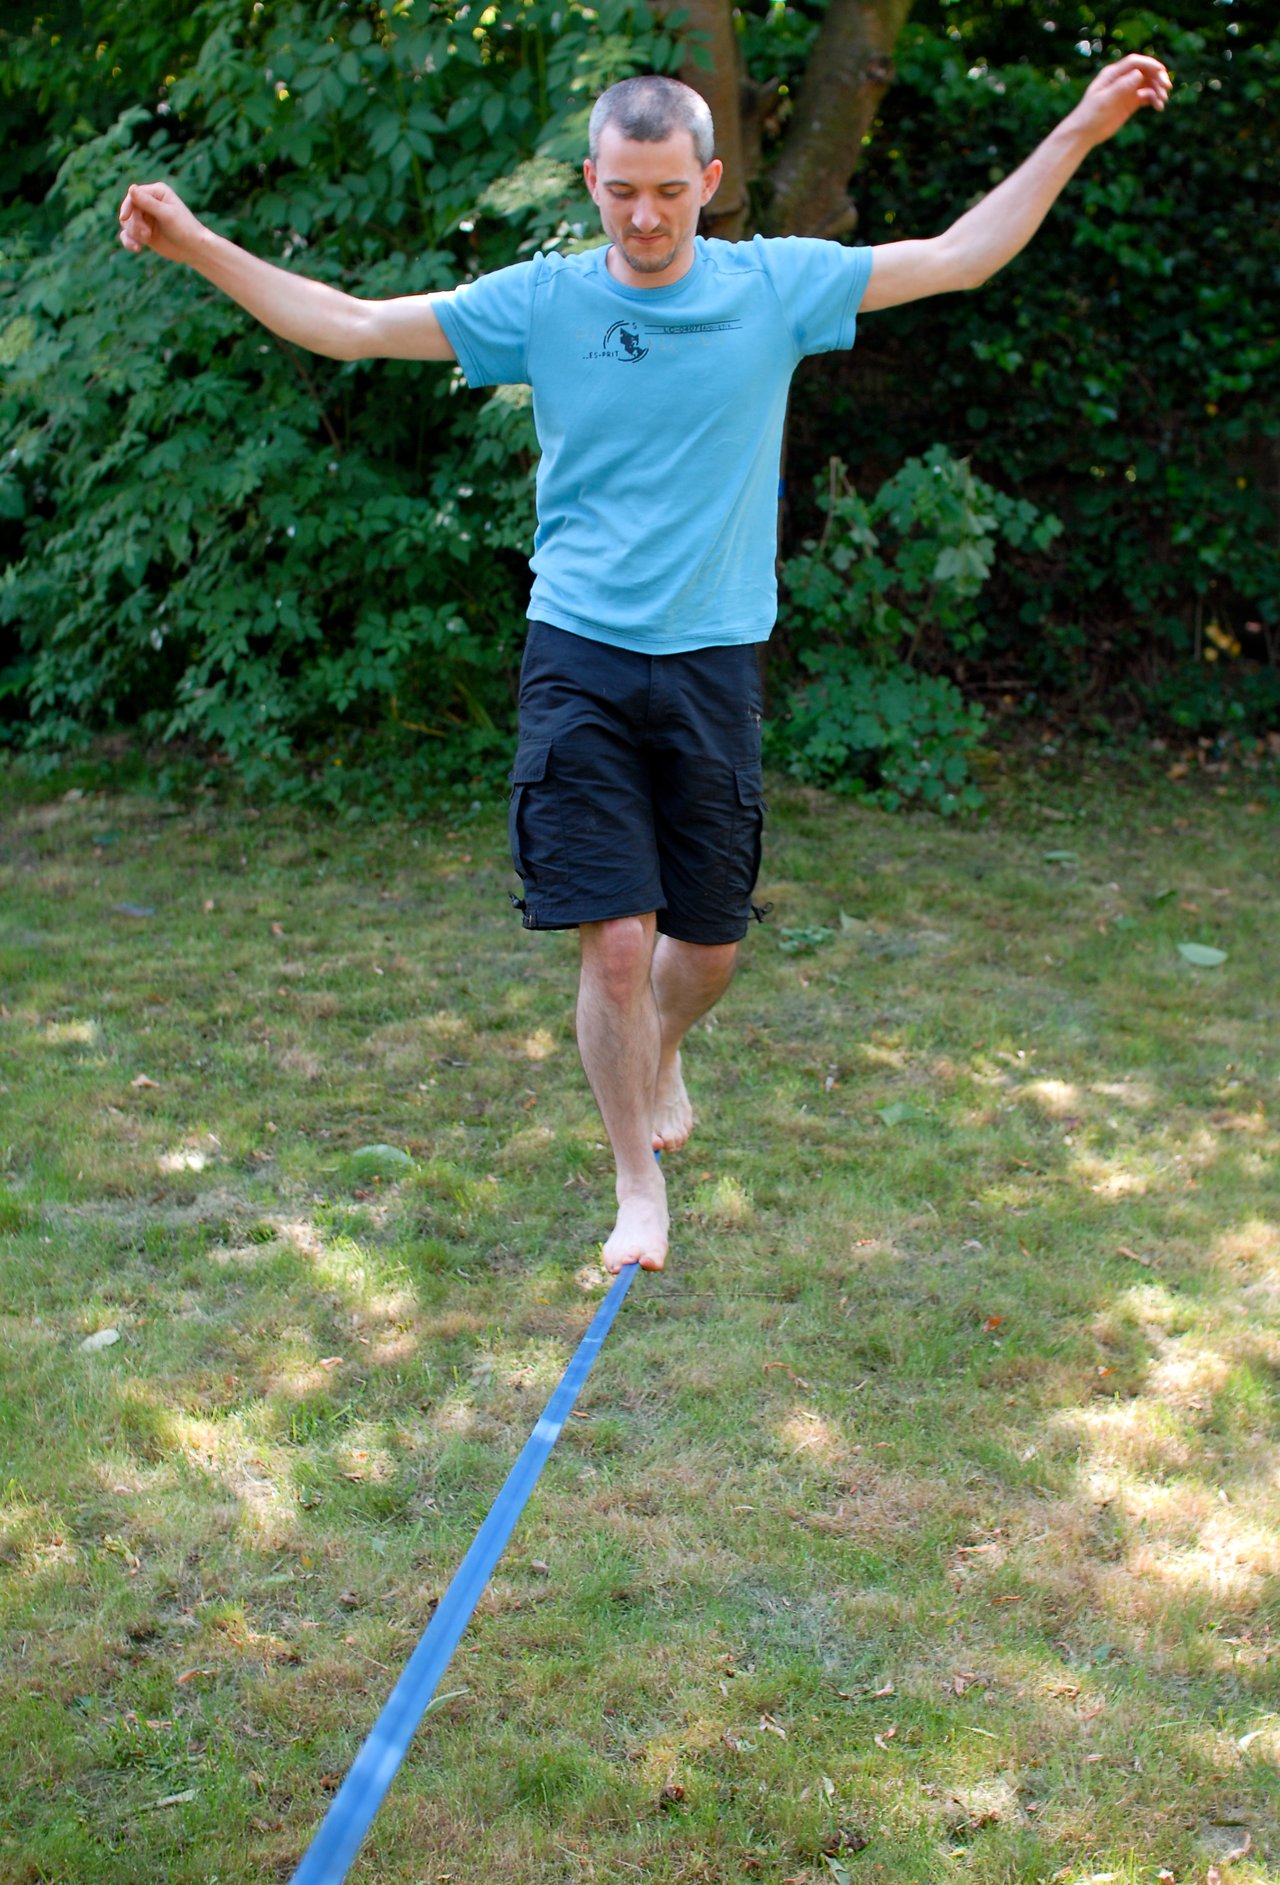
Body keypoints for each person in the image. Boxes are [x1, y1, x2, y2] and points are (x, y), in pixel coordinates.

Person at [119, 54, 1171, 1274]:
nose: (643, 216)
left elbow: (959, 255)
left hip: (714, 658)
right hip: (577, 652)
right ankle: (634, 1188)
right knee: (614, 941)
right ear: (591, 181)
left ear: (709, 181)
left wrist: (1079, 129)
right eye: (621, 191)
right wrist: (195, 244)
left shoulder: (772, 287)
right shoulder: (545, 304)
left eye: (668, 191)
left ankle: (664, 1047)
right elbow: (352, 326)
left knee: (705, 946)